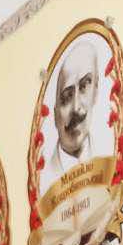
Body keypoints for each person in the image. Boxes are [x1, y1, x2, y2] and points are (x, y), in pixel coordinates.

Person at [41, 39, 100, 195]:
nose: (76, 107)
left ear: (96, 90)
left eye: (84, 86)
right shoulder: (46, 180)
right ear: (55, 114)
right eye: (66, 97)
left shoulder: (105, 152)